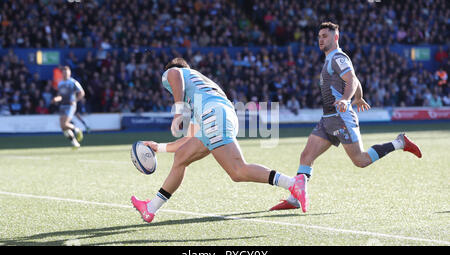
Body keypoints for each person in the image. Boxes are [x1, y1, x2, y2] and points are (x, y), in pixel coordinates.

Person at [269, 22, 422, 212]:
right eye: (319, 37)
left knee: (361, 160)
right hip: (328, 118)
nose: (321, 40)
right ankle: (294, 199)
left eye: (325, 36)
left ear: (336, 37)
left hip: (341, 117)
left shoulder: (338, 57)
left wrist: (345, 99)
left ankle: (400, 142)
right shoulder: (330, 59)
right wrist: (358, 97)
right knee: (306, 156)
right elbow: (355, 79)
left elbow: (351, 79)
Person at [131, 58, 305, 223]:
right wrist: (158, 147)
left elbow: (174, 73)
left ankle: (292, 183)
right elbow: (188, 139)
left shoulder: (174, 72)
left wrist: (178, 111)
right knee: (181, 157)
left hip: (213, 115)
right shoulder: (199, 93)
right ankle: (151, 208)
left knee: (238, 171)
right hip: (219, 115)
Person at [52, 66, 85, 148]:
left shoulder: (73, 82)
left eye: (66, 73)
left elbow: (82, 93)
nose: (65, 74)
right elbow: (60, 96)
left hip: (70, 105)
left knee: (65, 123)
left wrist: (75, 100)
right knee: (63, 127)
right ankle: (74, 142)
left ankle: (77, 129)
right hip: (63, 105)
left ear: (69, 73)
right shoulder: (60, 83)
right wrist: (56, 99)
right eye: (63, 73)